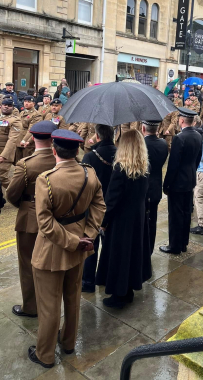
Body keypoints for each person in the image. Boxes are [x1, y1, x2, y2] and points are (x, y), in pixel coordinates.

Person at [28, 130, 105, 368]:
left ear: (54, 150)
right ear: (77, 151)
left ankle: (45, 355)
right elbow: (99, 207)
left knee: (49, 305)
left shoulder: (47, 179)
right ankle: (68, 342)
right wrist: (87, 237)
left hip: (52, 250)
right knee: (72, 299)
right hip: (80, 247)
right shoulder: (89, 173)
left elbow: (45, 223)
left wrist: (73, 242)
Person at [96, 130, 152, 309]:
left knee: (119, 255)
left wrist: (104, 222)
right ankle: (128, 291)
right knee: (133, 253)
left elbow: (112, 200)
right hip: (138, 217)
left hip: (121, 219)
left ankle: (119, 295)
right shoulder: (144, 166)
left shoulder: (121, 168)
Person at [7, 121, 57, 319]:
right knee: (51, 263)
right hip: (56, 217)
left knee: (28, 264)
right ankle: (51, 302)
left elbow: (11, 194)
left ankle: (31, 306)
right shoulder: (60, 160)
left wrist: (26, 205)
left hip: (30, 219)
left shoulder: (26, 164)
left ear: (33, 139)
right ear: (52, 139)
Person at [160, 108, 203, 254]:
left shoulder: (179, 138)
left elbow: (173, 165)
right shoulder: (198, 135)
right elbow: (198, 159)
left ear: (182, 120)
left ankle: (174, 246)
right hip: (190, 179)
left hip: (178, 182)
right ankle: (184, 242)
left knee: (176, 215)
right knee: (186, 213)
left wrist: (166, 184)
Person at [81, 124, 117, 293]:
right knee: (110, 244)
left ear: (97, 136)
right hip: (113, 204)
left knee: (91, 243)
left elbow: (84, 184)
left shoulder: (90, 156)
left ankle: (88, 281)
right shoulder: (121, 154)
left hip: (94, 206)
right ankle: (106, 278)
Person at [142, 120, 168, 253]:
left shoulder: (141, 145)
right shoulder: (163, 144)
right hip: (156, 186)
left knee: (142, 221)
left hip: (143, 189)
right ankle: (150, 249)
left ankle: (142, 249)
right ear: (157, 129)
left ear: (143, 128)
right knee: (153, 220)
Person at [0, 98, 21, 188]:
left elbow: (12, 139)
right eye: (5, 105)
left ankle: (16, 194)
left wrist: (3, 155)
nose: (6, 107)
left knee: (2, 177)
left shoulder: (15, 120)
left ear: (13, 108)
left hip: (5, 152)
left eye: (9, 106)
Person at [16, 96, 43, 162]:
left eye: (29, 102)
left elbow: (32, 129)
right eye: (25, 101)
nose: (26, 103)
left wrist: (24, 140)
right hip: (18, 140)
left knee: (27, 162)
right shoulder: (22, 112)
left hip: (28, 141)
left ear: (33, 104)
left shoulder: (36, 114)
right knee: (18, 162)